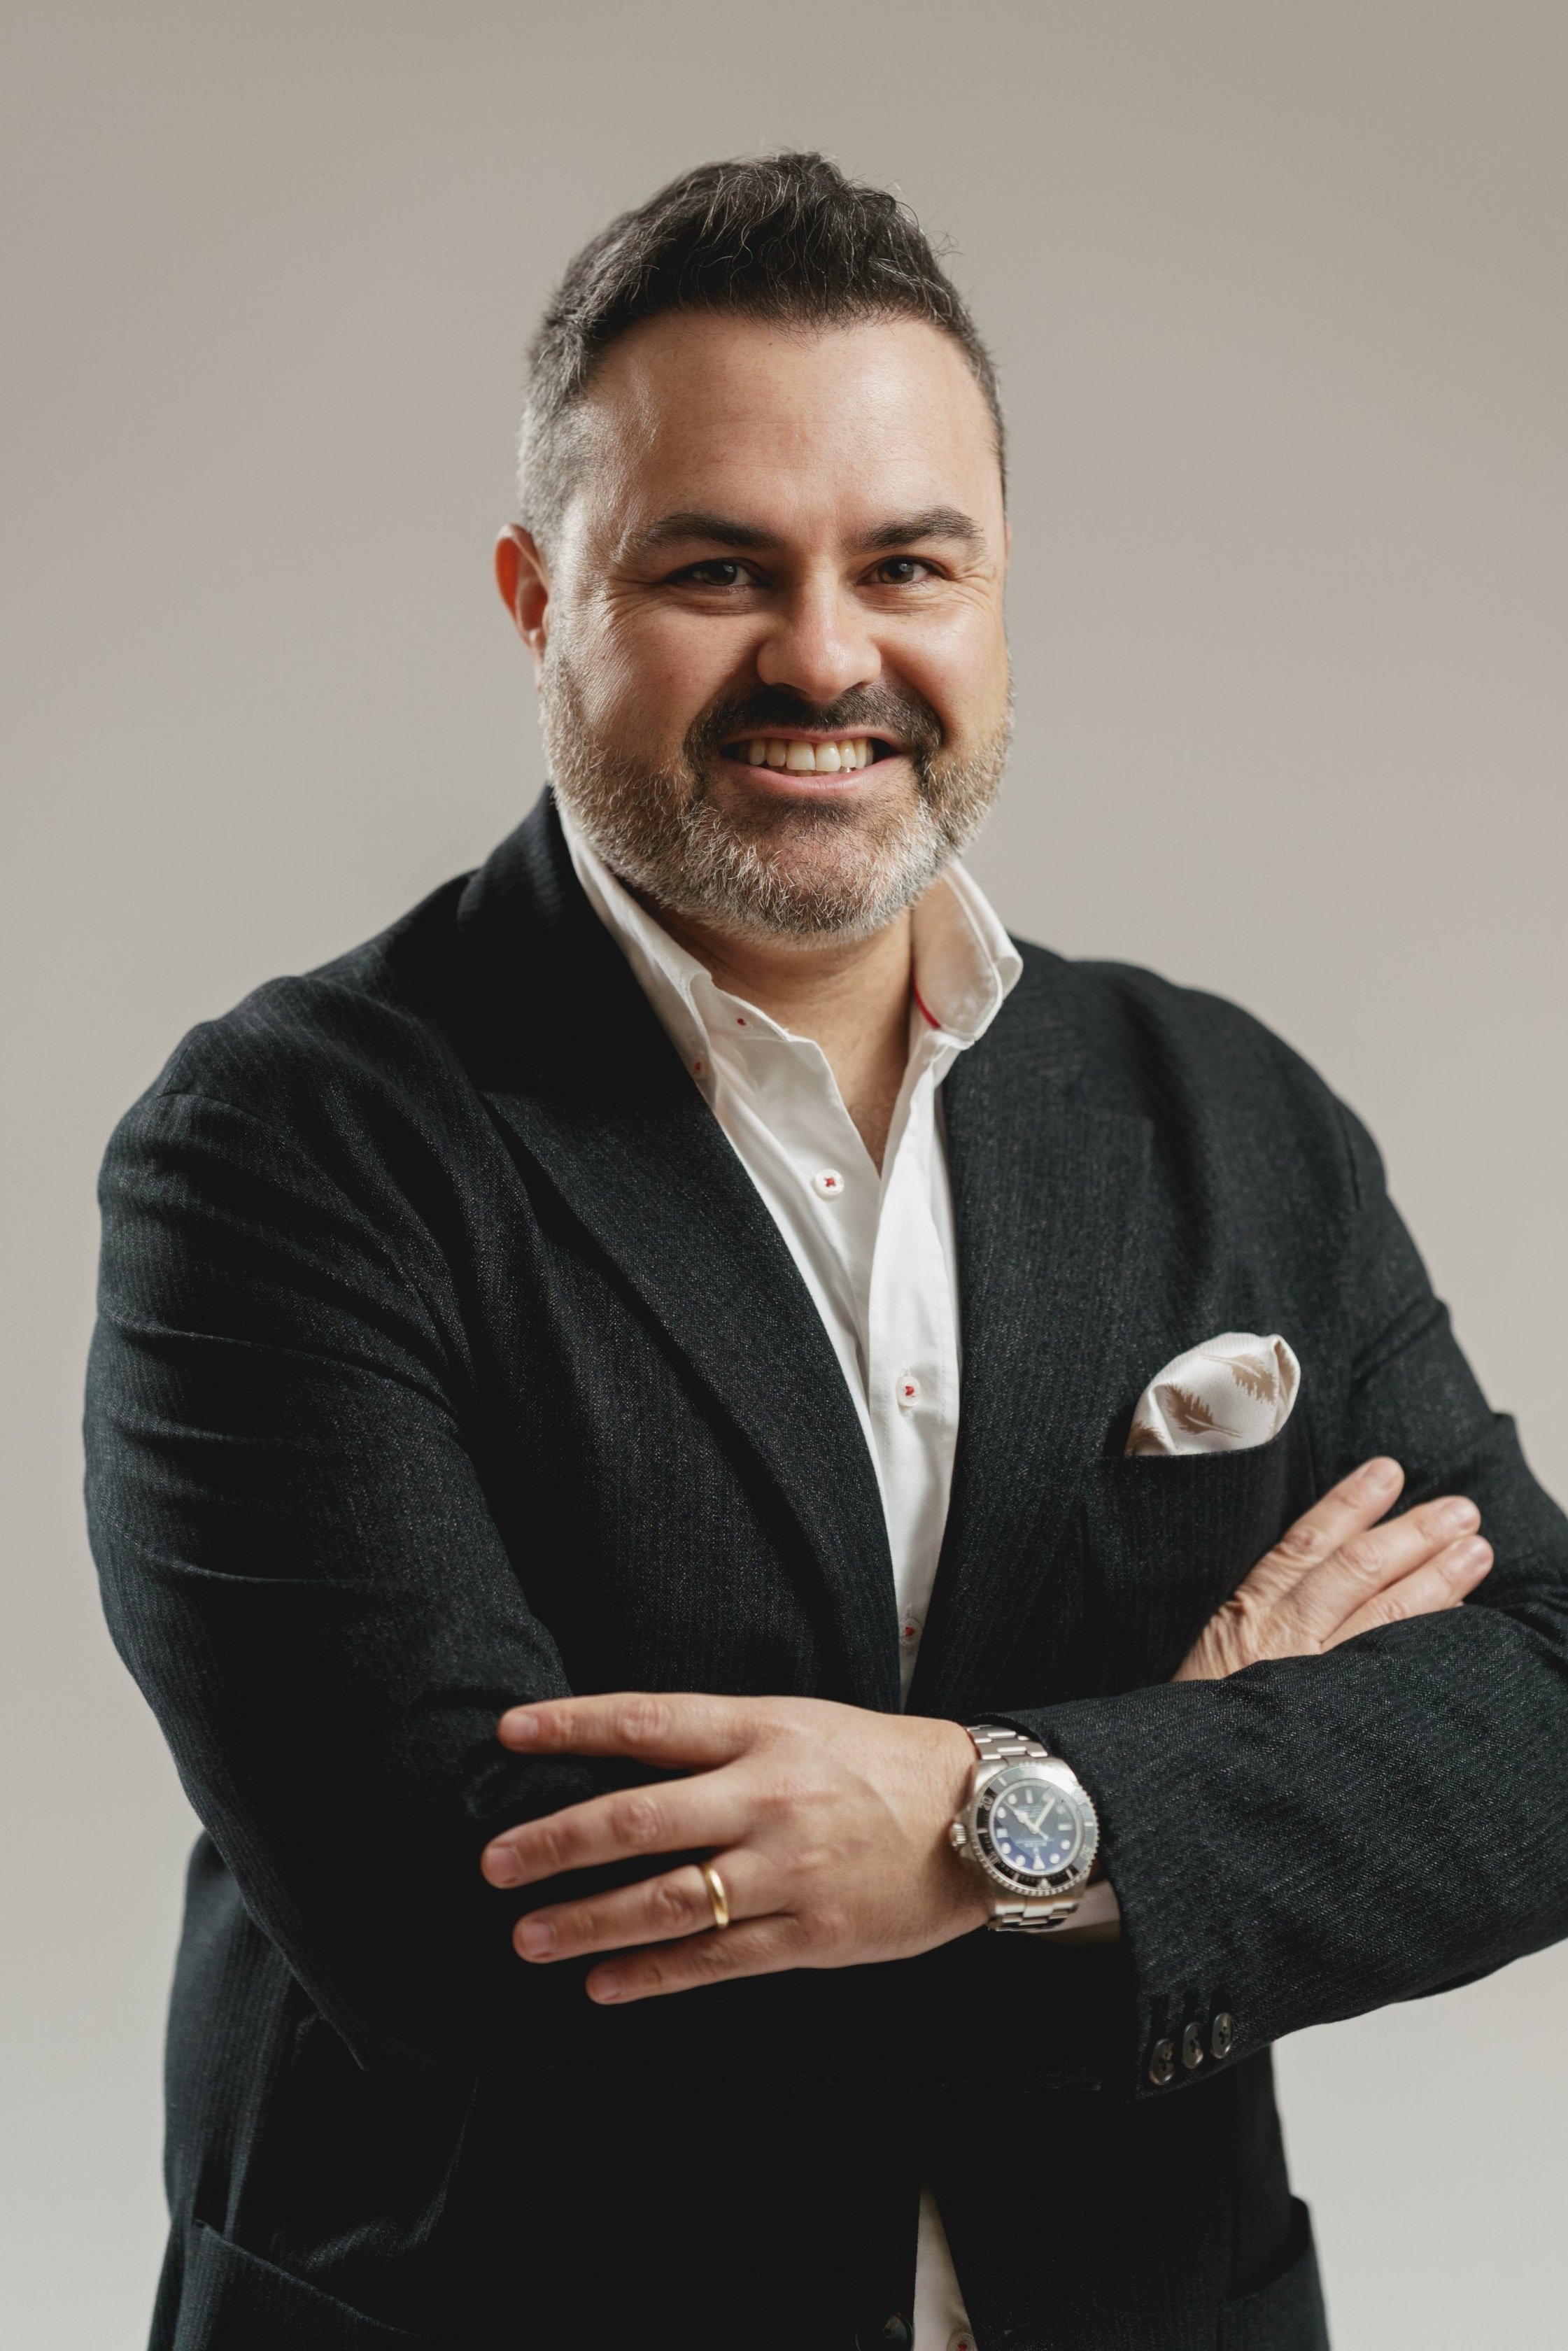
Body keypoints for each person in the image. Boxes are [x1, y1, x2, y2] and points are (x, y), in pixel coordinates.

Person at [85, 153, 1568, 2351]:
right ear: (535, 599)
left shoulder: (1226, 1113)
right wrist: (1205, 1818)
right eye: (715, 568)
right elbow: (475, 1944)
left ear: (994, 592)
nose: (824, 654)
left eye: (905, 565)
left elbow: (1540, 1719)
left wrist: (996, 1817)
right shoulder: (290, 1150)